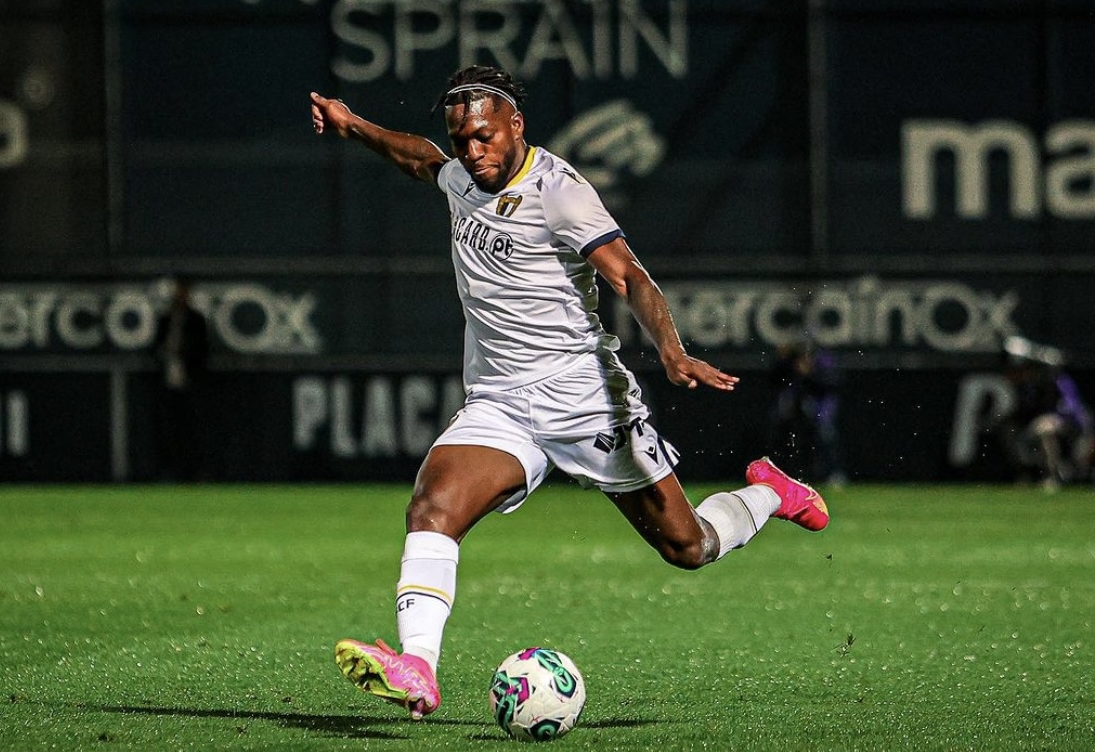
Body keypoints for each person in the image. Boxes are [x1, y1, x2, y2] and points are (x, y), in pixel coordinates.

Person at [309, 66, 829, 720]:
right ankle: (418, 666)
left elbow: (629, 276)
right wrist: (354, 125)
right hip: (499, 403)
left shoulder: (558, 192)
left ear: (516, 125)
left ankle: (770, 493)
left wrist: (672, 350)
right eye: (462, 139)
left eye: (485, 136)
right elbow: (421, 159)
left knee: (687, 546)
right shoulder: (460, 174)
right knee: (432, 509)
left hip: (585, 399)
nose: (473, 151)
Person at [996, 337, 1093, 490]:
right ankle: (1025, 473)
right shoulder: (1026, 386)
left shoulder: (1054, 379)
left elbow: (1072, 410)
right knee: (1009, 427)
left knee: (1044, 427)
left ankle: (1052, 476)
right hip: (1045, 426)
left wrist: (1051, 419)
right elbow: (1026, 412)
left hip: (1075, 427)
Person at [152, 276, 209, 481]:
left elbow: (203, 351)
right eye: (177, 291)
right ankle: (170, 471)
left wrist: (184, 352)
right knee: (168, 429)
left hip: (190, 381)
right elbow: (153, 348)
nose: (180, 295)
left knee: (192, 430)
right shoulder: (165, 318)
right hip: (168, 381)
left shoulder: (196, 319)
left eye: (183, 291)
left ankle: (195, 472)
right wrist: (165, 354)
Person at [767, 342, 846, 485]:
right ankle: (784, 473)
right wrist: (783, 361)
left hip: (819, 406)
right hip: (798, 407)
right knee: (786, 437)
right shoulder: (791, 361)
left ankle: (833, 474)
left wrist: (811, 373)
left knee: (825, 436)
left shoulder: (823, 360)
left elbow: (833, 383)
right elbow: (775, 379)